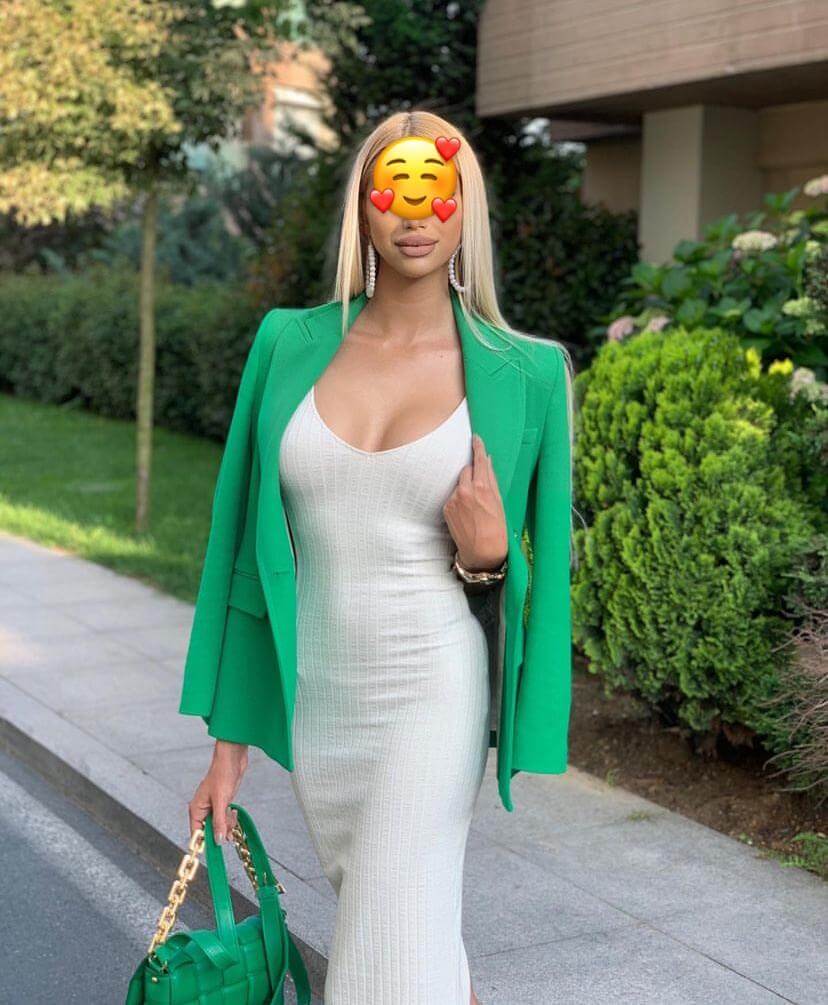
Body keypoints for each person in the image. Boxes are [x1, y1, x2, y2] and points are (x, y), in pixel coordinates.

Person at [180, 109, 574, 1005]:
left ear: (467, 209)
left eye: (438, 191)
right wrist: (228, 746)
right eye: (393, 191)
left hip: (433, 691)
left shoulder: (527, 372)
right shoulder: (286, 344)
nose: (415, 213)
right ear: (363, 207)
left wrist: (489, 558)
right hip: (322, 704)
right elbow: (240, 551)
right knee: (410, 944)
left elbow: (542, 581)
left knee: (380, 971)